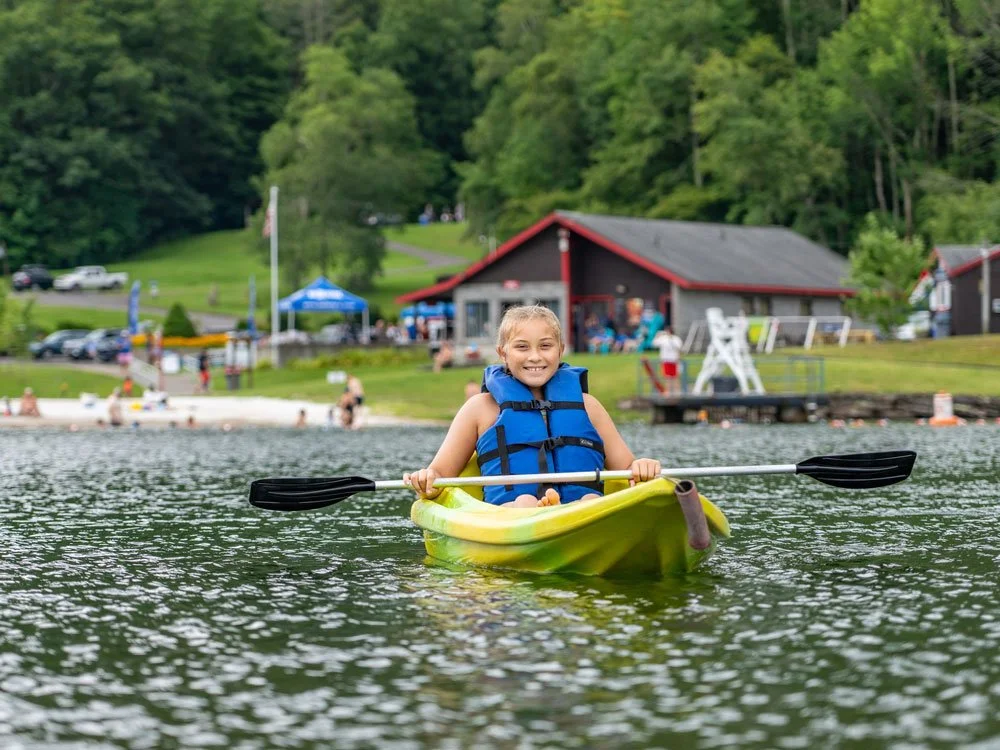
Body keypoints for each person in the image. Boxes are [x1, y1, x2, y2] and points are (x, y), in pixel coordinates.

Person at [404, 305, 661, 508]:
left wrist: (640, 467)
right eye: (522, 347)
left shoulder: (589, 406)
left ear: (560, 350)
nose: (535, 356)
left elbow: (626, 468)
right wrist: (428, 479)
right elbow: (440, 473)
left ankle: (564, 510)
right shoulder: (479, 409)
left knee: (592, 502)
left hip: (583, 511)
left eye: (546, 346)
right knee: (525, 502)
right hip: (509, 516)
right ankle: (540, 509)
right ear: (502, 353)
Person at [652, 326, 684, 395]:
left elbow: (679, 347)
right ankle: (668, 392)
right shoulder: (663, 339)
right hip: (666, 360)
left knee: (675, 377)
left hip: (674, 361)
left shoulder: (676, 339)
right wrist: (658, 335)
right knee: (667, 377)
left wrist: (671, 339)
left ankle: (677, 392)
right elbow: (654, 343)